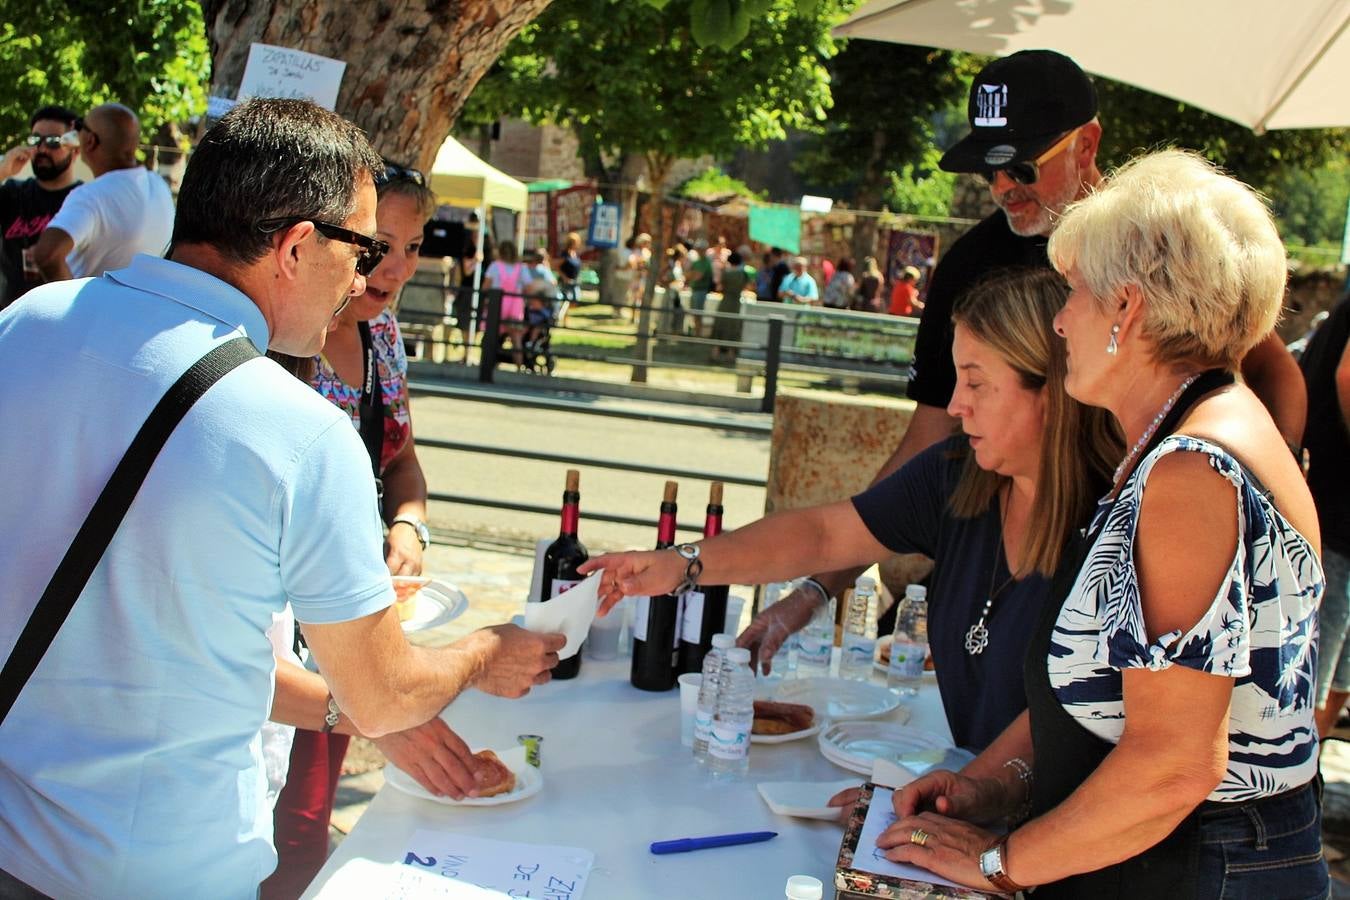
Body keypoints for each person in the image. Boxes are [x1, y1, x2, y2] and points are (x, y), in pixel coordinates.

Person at [0, 98, 564, 897]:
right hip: (159, 868)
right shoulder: (298, 429)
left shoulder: (27, 322)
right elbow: (381, 694)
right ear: (299, 245)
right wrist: (481, 653)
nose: (366, 277)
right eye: (363, 248)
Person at [756, 48, 1307, 660]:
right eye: (985, 169)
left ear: (1086, 144)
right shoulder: (970, 263)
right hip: (1005, 569)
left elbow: (1272, 372)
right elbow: (930, 438)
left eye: (1019, 167)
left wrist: (1258, 519)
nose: (1000, 188)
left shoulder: (1160, 243)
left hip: (1132, 561)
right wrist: (818, 587)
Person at [877, 150, 1325, 897]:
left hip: (1200, 869)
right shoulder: (1189, 436)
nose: (1059, 320)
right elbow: (1119, 695)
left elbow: (1174, 764)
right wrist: (992, 786)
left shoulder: (1190, 469)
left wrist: (997, 865)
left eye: (1073, 292)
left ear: (1128, 308)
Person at [582, 268, 1119, 752]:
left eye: (976, 383)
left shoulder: (1118, 522)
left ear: (1050, 391)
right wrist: (683, 564)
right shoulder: (958, 474)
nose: (956, 405)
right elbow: (822, 534)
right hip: (975, 810)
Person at [261, 162, 446, 898]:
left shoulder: (384, 339)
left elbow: (402, 464)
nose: (395, 266)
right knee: (283, 822)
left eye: (414, 245)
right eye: (379, 244)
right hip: (285, 623)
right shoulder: (280, 339)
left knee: (306, 823)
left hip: (349, 616)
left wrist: (410, 530)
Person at [31, 102, 174, 280]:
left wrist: (70, 306)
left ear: (90, 141)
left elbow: (47, 255)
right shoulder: (159, 185)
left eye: (81, 125)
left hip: (91, 305)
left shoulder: (92, 195)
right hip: (140, 305)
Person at [1301, 290, 1350, 738]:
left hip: (1334, 510)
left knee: (1333, 673)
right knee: (1311, 672)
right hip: (1334, 510)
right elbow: (1348, 374)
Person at [0, 105, 83, 307]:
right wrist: (2, 172)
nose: (43, 149)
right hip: (9, 317)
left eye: (54, 142)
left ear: (75, 151)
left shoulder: (85, 199)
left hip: (60, 317)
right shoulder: (13, 192)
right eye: (36, 140)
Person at [482, 239, 531, 370]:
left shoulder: (495, 266)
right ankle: (519, 368)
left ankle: (487, 366)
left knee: (492, 337)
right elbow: (529, 287)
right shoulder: (521, 268)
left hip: (497, 305)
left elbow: (485, 286)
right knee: (516, 340)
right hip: (515, 307)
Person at [452, 212, 492, 364]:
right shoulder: (467, 252)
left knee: (476, 321)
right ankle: (465, 351)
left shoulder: (488, 255)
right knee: (464, 321)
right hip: (467, 289)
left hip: (480, 291)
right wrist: (476, 260)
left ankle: (470, 352)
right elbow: (466, 270)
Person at [710, 250, 752, 363]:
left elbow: (719, 287)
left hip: (725, 301)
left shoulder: (726, 273)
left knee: (721, 325)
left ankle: (715, 353)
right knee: (733, 327)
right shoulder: (743, 274)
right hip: (736, 303)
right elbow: (748, 286)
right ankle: (731, 354)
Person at [685, 238, 715, 336]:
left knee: (698, 313)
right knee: (693, 313)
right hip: (694, 289)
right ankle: (695, 332)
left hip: (701, 291)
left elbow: (698, 276)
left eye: (700, 248)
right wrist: (692, 274)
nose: (698, 250)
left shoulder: (706, 262)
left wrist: (692, 274)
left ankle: (698, 334)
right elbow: (687, 275)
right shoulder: (696, 262)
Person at [557, 230, 583, 326]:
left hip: (575, 281)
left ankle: (564, 317)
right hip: (566, 281)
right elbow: (557, 267)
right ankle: (563, 320)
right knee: (566, 300)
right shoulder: (565, 254)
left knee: (574, 300)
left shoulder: (575, 254)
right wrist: (564, 277)